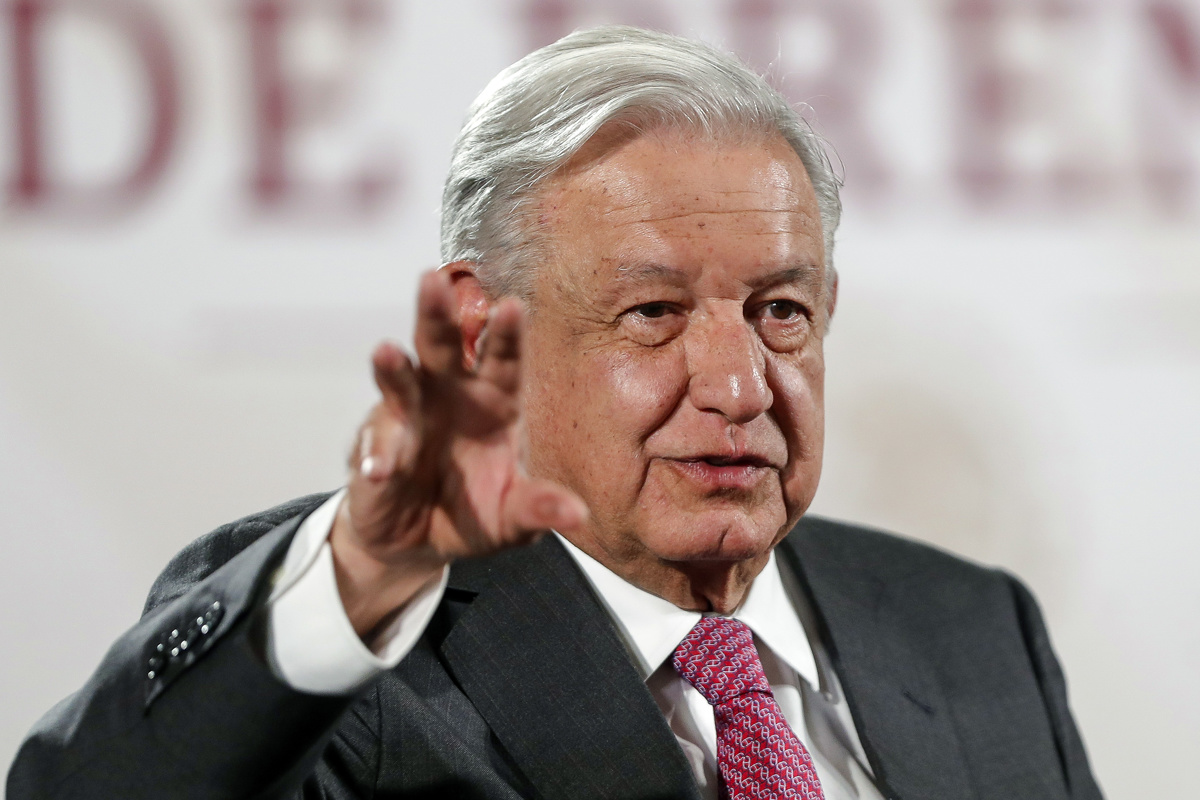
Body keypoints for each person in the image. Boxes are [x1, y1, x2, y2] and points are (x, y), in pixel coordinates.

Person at [7, 26, 1103, 800]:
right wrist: (353, 577)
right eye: (652, 311)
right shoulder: (354, 652)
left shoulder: (970, 624)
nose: (738, 384)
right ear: (487, 335)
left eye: (779, 309)